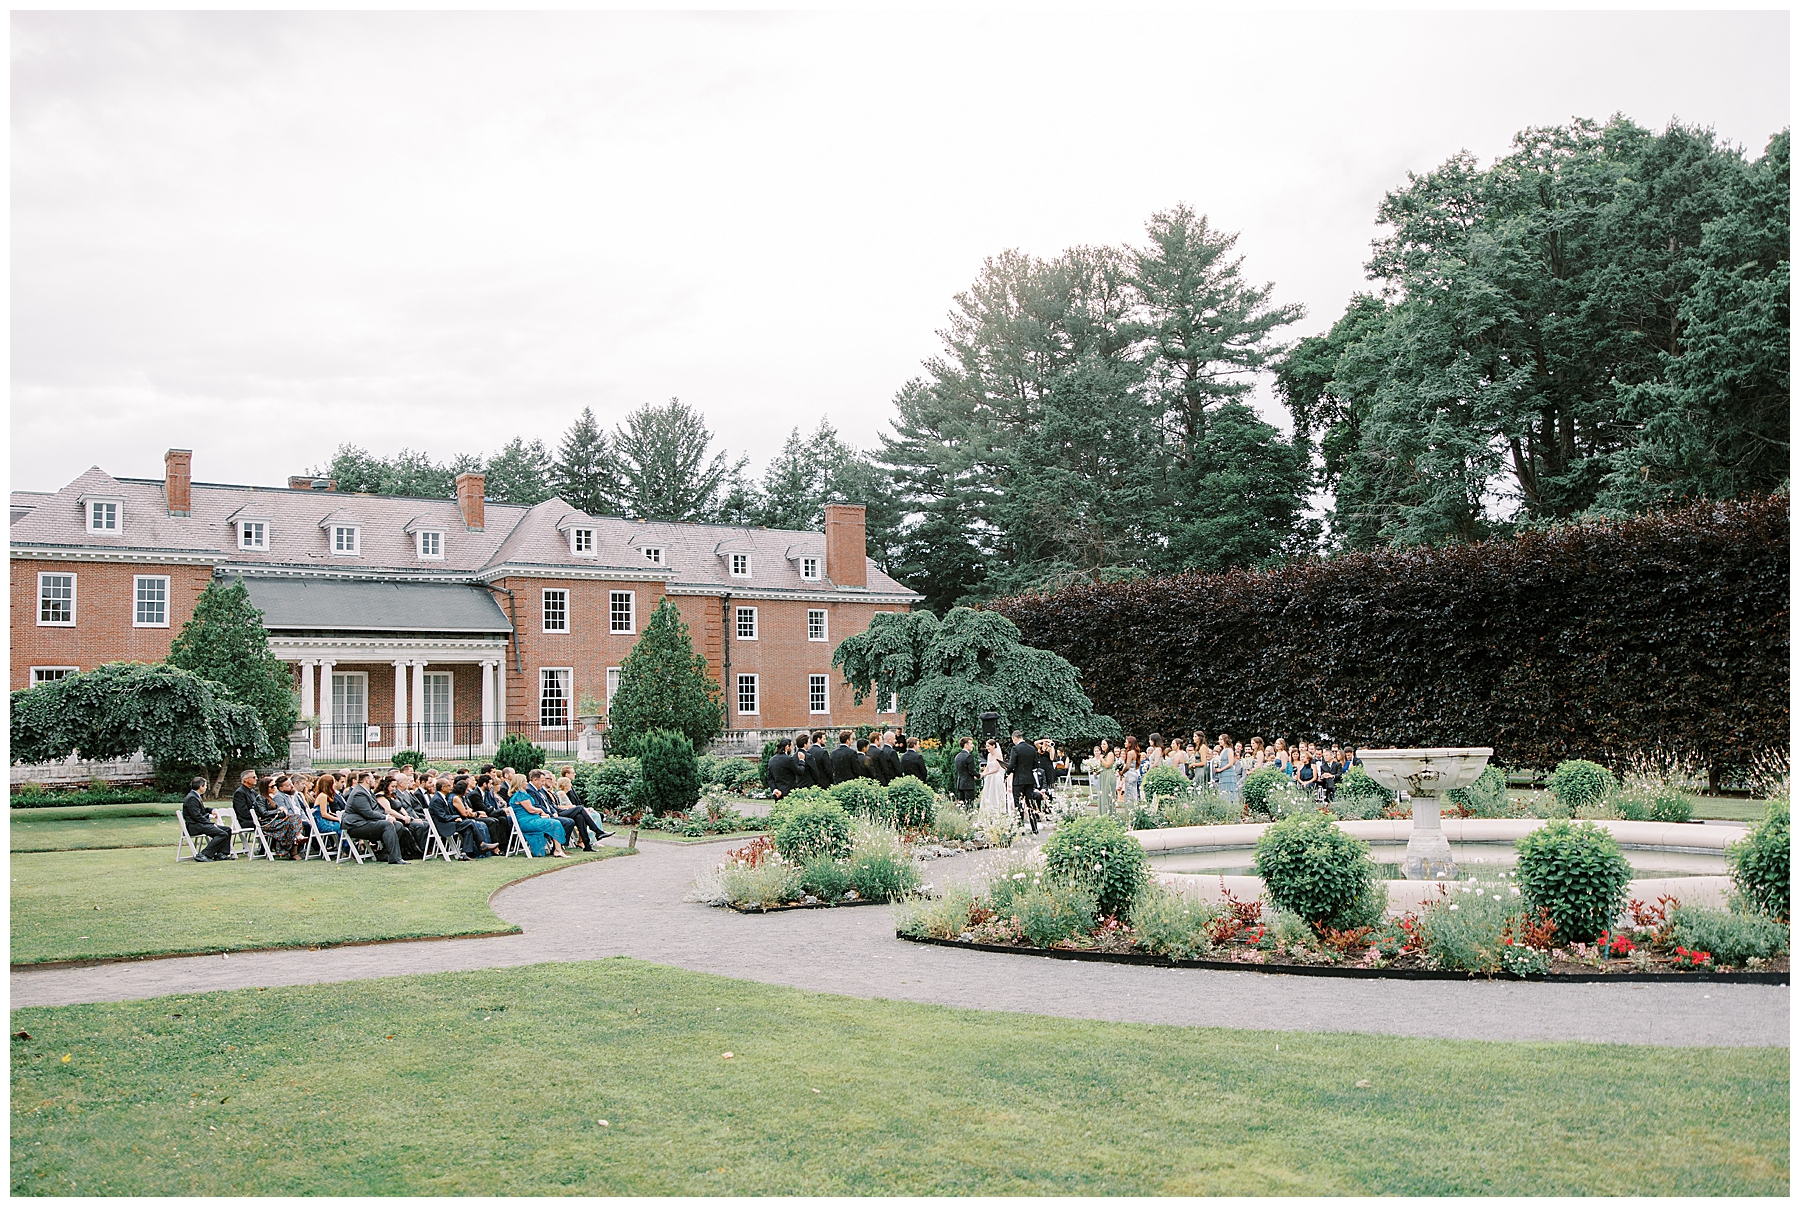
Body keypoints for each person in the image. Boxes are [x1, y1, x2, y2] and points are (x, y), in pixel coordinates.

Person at [342, 772, 407, 864]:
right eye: (372, 779)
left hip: (366, 822)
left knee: (398, 825)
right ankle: (395, 858)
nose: (374, 781)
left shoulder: (367, 791)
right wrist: (385, 817)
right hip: (356, 825)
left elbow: (377, 809)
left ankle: (385, 854)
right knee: (387, 824)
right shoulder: (358, 793)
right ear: (367, 780)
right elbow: (367, 813)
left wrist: (388, 816)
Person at [508, 772, 570, 857]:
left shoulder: (520, 795)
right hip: (526, 822)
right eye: (525, 781)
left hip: (530, 819)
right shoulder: (520, 795)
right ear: (520, 783)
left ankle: (557, 849)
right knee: (555, 823)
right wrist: (541, 811)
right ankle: (558, 850)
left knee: (551, 821)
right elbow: (530, 809)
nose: (527, 783)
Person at [251, 774, 305, 859]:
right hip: (267, 823)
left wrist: (281, 812)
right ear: (265, 788)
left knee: (295, 818)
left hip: (275, 821)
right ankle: (295, 841)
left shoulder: (271, 797)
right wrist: (278, 810)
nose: (274, 788)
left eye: (274, 786)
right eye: (272, 786)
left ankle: (294, 846)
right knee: (293, 820)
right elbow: (264, 813)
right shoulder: (261, 798)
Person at [182, 776, 234, 862]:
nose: (206, 787)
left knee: (227, 830)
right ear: (200, 787)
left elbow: (201, 810)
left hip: (200, 824)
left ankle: (222, 854)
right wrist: (210, 824)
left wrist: (211, 810)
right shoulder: (191, 798)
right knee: (222, 834)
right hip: (195, 826)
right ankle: (204, 854)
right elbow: (197, 816)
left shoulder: (195, 796)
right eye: (205, 785)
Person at [1008, 730, 1041, 834]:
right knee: (1030, 802)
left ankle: (1021, 827)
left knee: (1018, 803)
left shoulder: (1015, 749)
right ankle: (1034, 827)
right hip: (1029, 779)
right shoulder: (1031, 749)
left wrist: (1007, 772)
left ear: (1014, 738)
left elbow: (1012, 764)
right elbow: (1036, 765)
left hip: (1018, 779)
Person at [978, 738, 1008, 813]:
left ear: (993, 746)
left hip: (996, 777)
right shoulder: (989, 756)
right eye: (986, 746)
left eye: (988, 746)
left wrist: (985, 774)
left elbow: (996, 769)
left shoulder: (998, 756)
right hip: (989, 778)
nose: (987, 748)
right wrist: (982, 773)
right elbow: (987, 767)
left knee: (996, 794)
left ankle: (998, 811)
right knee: (988, 794)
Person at [1092, 740, 1118, 815]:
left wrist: (1101, 759)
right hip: (1103, 775)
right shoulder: (1105, 755)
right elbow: (1103, 767)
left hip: (1109, 776)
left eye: (1104, 744)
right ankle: (1103, 813)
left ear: (1108, 745)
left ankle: (1110, 813)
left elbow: (1107, 765)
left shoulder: (1110, 754)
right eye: (1101, 744)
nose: (1102, 745)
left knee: (1108, 794)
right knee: (1103, 794)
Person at [952, 737, 978, 809]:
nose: (972, 745)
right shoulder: (969, 756)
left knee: (962, 805)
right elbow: (971, 770)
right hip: (968, 784)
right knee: (969, 806)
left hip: (960, 783)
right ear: (966, 745)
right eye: (971, 744)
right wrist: (978, 775)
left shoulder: (957, 756)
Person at [1120, 736, 1143, 806]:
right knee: (1134, 791)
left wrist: (1121, 772)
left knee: (1129, 793)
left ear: (1130, 743)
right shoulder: (1135, 752)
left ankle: (1130, 808)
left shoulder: (1130, 753)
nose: (1124, 743)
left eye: (1126, 742)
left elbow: (1127, 766)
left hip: (1129, 774)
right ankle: (1134, 806)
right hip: (1134, 773)